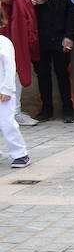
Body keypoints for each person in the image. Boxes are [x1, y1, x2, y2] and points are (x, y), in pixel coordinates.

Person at [0, 0, 38, 127]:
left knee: (16, 65)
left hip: (16, 23)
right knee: (9, 67)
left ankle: (15, 111)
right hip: (7, 24)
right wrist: (25, 1)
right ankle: (11, 112)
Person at [1, 27, 30, 168]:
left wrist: (6, 89)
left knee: (7, 124)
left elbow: (10, 66)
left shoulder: (3, 42)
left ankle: (20, 153)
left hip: (3, 92)